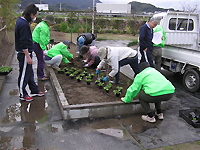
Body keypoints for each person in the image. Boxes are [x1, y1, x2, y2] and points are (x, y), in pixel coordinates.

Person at [15, 4, 44, 101]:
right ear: (31, 14)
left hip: (26, 53)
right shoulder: (23, 24)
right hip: (24, 54)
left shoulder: (21, 21)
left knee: (29, 72)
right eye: (35, 16)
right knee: (24, 73)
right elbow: (23, 42)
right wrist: (27, 56)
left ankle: (34, 90)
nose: (35, 18)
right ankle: (22, 94)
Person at [32, 15, 56, 81]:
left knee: (40, 60)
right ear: (47, 21)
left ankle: (40, 75)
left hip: (36, 43)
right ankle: (40, 76)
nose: (51, 24)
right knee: (41, 60)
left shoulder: (42, 24)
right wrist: (44, 49)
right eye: (51, 23)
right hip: (38, 44)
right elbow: (42, 39)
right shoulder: (44, 27)